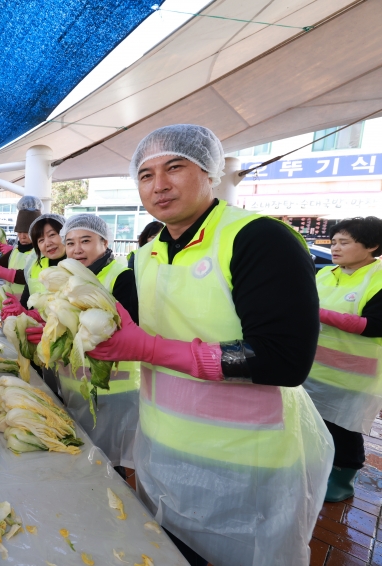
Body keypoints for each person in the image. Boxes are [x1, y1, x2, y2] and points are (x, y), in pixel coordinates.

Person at [88, 124, 332, 566]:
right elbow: (135, 330)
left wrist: (150, 349)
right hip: (164, 450)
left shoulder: (259, 238)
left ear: (209, 171)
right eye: (145, 175)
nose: (159, 184)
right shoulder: (145, 255)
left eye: (174, 167)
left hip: (249, 461)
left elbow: (283, 358)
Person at [43, 214, 139, 474]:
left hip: (114, 390)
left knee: (111, 468)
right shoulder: (68, 277)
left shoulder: (122, 276)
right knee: (83, 462)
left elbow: (124, 331)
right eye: (71, 243)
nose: (77, 249)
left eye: (86, 241)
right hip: (77, 386)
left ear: (105, 242)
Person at [303, 216, 382, 502]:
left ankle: (343, 479)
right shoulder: (325, 274)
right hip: (315, 370)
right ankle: (318, 467)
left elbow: (374, 325)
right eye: (334, 242)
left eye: (344, 243)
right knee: (314, 421)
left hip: (354, 375)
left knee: (346, 427)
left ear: (372, 245)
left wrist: (317, 312)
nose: (335, 248)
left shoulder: (378, 277)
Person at [0, 213, 66, 394]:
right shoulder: (36, 264)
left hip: (67, 347)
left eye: (52, 235)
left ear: (65, 234)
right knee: (47, 390)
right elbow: (28, 303)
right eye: (41, 239)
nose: (48, 243)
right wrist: (20, 310)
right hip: (39, 342)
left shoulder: (77, 264)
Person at [0, 196, 42, 312]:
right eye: (20, 232)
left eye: (27, 232)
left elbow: (27, 276)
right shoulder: (15, 250)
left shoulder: (40, 252)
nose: (22, 236)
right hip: (10, 304)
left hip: (31, 307)